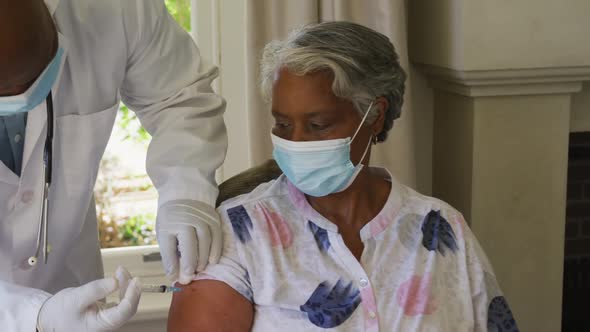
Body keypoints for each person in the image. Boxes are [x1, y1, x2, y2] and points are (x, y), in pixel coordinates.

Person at [168, 22, 519, 331]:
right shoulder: (237, 236)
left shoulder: (443, 228)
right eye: (283, 124)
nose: (296, 143)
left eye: (318, 125)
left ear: (375, 115)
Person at [0, 0, 227, 331]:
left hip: (69, 284)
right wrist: (35, 316)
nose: (21, 99)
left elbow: (179, 98)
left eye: (33, 81)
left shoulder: (114, 7)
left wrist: (186, 192)